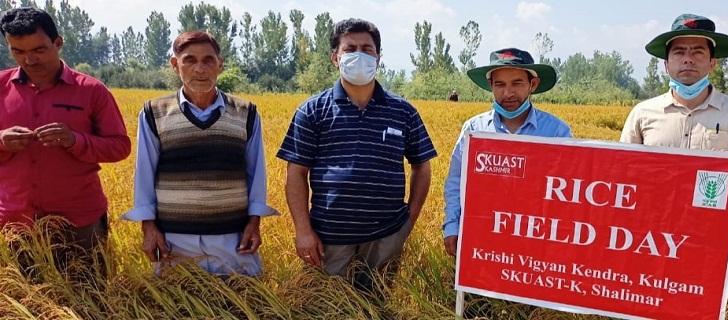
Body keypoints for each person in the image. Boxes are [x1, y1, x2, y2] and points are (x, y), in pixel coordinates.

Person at [277, 18, 437, 289]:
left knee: (377, 304)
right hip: (328, 236)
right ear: (335, 58)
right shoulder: (312, 110)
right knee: (328, 306)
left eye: (367, 49)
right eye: (350, 49)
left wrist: (408, 221)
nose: (359, 55)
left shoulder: (403, 111)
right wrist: (303, 231)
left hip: (387, 235)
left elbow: (422, 166)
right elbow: (296, 173)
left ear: (378, 57)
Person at [121, 31, 277, 276]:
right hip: (175, 240)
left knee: (239, 306)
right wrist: (148, 228)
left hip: (232, 239)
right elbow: (144, 173)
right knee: (178, 305)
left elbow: (256, 173)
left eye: (208, 60)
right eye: (189, 60)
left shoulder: (245, 113)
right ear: (175, 65)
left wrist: (254, 223)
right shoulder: (154, 113)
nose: (200, 68)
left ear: (220, 65)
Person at [0, 7, 130, 272]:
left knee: (88, 299)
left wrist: (75, 141)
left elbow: (120, 146)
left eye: (38, 50)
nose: (29, 60)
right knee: (21, 302)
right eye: (18, 51)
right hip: (14, 221)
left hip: (79, 222)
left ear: (58, 42)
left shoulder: (92, 91)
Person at [442, 48, 573, 256]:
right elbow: (457, 182)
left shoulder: (557, 132)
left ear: (533, 84)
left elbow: (568, 193)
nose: (508, 93)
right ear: (490, 86)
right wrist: (452, 225)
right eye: (500, 85)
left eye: (517, 83)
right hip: (482, 238)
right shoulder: (474, 130)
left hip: (536, 243)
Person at [620, 14, 728, 172]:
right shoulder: (642, 113)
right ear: (666, 65)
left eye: (698, 52)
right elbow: (621, 168)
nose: (688, 59)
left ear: (712, 63)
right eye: (679, 52)